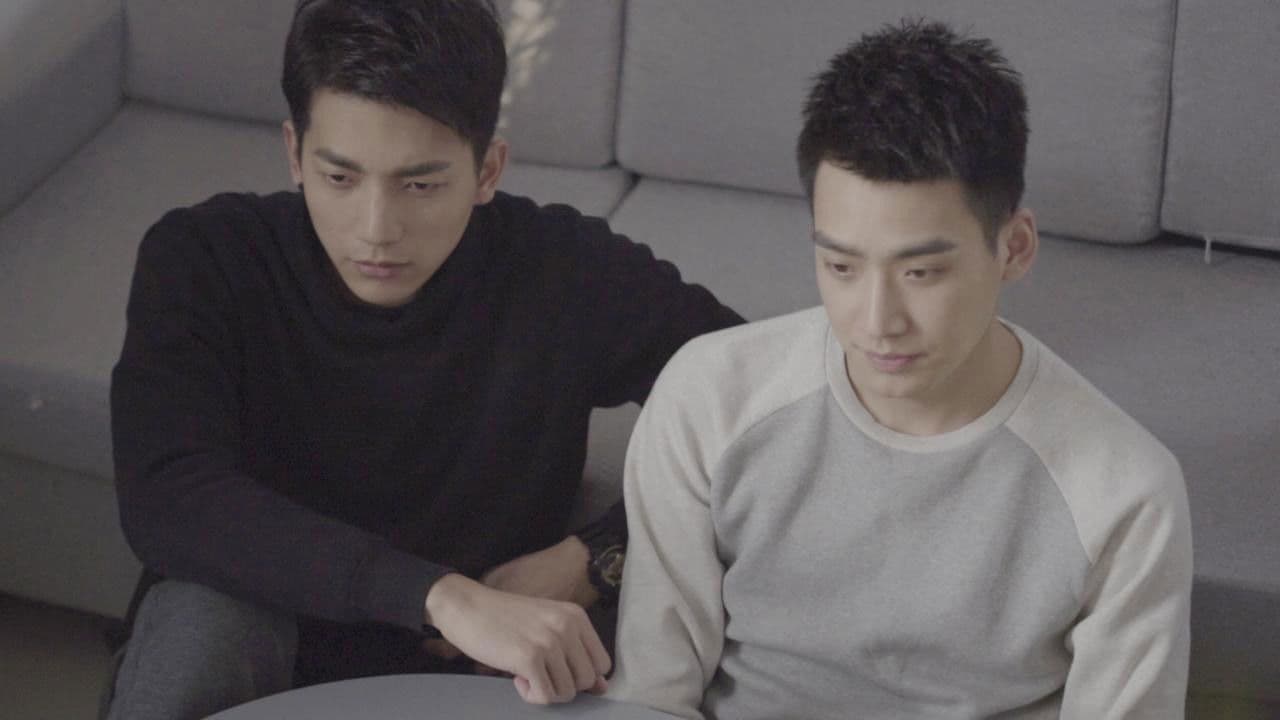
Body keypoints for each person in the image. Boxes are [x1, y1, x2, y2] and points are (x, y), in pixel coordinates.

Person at [103, 1, 742, 718]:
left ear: (487, 169)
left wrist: (594, 561)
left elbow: (761, 409)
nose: (377, 230)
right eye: (340, 178)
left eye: (421, 185)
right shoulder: (206, 257)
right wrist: (436, 595)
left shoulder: (564, 270)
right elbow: (167, 497)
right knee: (199, 626)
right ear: (294, 154)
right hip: (260, 622)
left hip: (488, 661)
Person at [607, 19, 1192, 720]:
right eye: (841, 266)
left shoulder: (1125, 493)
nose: (877, 320)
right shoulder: (710, 397)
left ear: (1013, 248)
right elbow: (652, 697)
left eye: (921, 272)